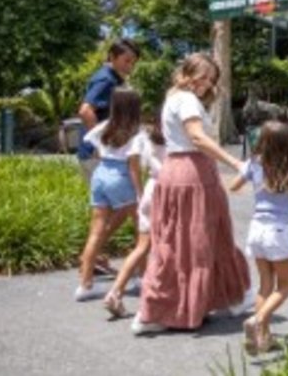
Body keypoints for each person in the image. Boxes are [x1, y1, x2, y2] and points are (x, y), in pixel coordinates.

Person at [132, 53, 251, 335]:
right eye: (202, 76)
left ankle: (181, 307)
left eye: (211, 79)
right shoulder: (186, 100)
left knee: (178, 242)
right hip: (193, 173)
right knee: (201, 241)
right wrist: (236, 163)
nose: (206, 83)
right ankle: (226, 299)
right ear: (187, 73)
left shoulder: (174, 98)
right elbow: (197, 137)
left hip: (176, 170)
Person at [228, 121, 288, 355]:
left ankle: (263, 338)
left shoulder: (254, 164)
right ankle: (258, 320)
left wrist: (246, 170)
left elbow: (233, 187)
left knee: (265, 285)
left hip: (257, 230)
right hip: (279, 231)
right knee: (285, 286)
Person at [75, 88, 146, 302]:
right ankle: (142, 277)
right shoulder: (136, 133)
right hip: (121, 176)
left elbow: (94, 148)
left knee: (96, 231)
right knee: (141, 230)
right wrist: (140, 194)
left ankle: (85, 284)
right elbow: (134, 167)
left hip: (100, 174)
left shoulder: (104, 127)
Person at [77, 39, 140, 276]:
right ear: (112, 57)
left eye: (133, 61)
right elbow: (85, 110)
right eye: (126, 60)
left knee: (113, 210)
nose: (130, 65)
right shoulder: (106, 79)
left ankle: (92, 257)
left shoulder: (112, 78)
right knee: (121, 208)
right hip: (99, 156)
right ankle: (90, 257)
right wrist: (101, 144)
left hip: (104, 155)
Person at [103, 112, 165, 318]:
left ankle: (115, 292)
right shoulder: (178, 140)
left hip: (150, 189)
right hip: (169, 191)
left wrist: (138, 193)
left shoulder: (142, 138)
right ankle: (161, 299)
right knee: (171, 246)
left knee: (142, 246)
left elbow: (134, 166)